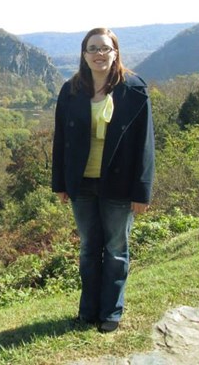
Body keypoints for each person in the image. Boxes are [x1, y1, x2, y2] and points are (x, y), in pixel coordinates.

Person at [51, 27, 155, 333]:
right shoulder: (71, 90)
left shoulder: (134, 89)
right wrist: (60, 183)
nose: (99, 54)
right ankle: (88, 311)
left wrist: (142, 191)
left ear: (116, 52)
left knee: (115, 249)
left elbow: (145, 144)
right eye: (93, 48)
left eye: (105, 48)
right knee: (88, 249)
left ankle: (111, 311)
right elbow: (61, 140)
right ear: (84, 54)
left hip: (120, 185)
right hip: (81, 184)